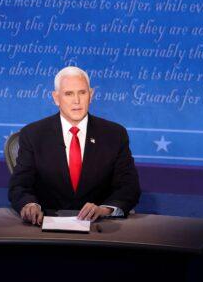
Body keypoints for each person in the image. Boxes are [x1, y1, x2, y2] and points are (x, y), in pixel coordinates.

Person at [8, 66, 140, 224]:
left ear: (91, 95)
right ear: (56, 98)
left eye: (82, 93)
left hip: (99, 227)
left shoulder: (114, 134)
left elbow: (129, 187)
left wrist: (104, 210)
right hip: (46, 225)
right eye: (68, 94)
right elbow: (19, 186)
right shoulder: (33, 134)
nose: (76, 101)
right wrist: (30, 205)